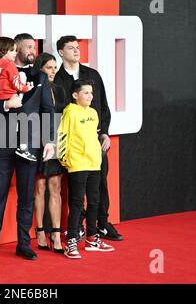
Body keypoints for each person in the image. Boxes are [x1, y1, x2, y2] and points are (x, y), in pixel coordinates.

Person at [0, 33, 56, 261]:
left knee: (26, 196)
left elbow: (47, 110)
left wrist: (50, 140)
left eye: (34, 46)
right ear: (16, 49)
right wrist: (4, 104)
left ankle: (24, 243)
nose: (33, 50)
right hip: (2, 141)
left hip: (30, 144)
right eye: (28, 47)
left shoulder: (40, 76)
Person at [54, 35, 123, 241]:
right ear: (61, 52)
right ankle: (78, 228)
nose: (76, 50)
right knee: (75, 191)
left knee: (99, 185)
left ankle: (101, 224)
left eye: (78, 47)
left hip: (95, 145)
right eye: (71, 48)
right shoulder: (56, 80)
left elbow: (103, 106)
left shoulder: (93, 75)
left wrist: (105, 133)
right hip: (73, 148)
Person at [58, 79, 115, 259]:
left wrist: (97, 158)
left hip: (94, 164)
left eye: (91, 93)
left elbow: (93, 137)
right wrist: (66, 160)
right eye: (86, 93)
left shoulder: (93, 113)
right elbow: (62, 137)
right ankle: (72, 240)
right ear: (75, 95)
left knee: (94, 202)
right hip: (77, 164)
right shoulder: (69, 112)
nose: (90, 96)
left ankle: (92, 238)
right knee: (76, 204)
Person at [32, 53, 69, 253]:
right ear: (40, 69)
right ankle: (39, 231)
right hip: (38, 143)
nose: (53, 71)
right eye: (49, 68)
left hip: (57, 143)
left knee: (55, 187)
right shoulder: (34, 90)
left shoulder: (60, 90)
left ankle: (55, 233)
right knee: (40, 188)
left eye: (55, 67)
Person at [0, 36, 35, 162]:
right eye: (13, 50)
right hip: (6, 96)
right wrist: (26, 88)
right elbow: (17, 84)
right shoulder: (10, 65)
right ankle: (23, 148)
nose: (16, 52)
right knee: (23, 117)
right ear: (4, 51)